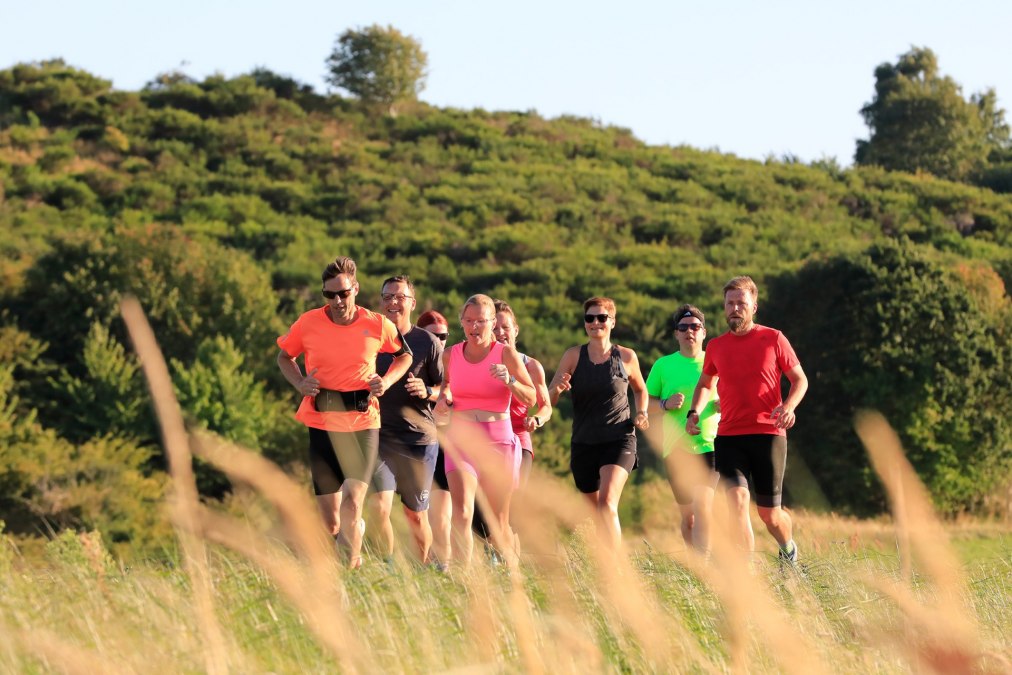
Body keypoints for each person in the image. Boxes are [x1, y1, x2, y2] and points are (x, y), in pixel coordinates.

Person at [276, 256, 412, 569]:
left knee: (354, 502)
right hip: (322, 423)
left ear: (356, 289)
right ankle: (348, 539)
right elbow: (285, 357)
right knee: (331, 522)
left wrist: (386, 381)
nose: (337, 300)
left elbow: (404, 356)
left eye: (344, 293)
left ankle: (351, 568)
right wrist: (300, 382)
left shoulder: (376, 324)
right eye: (330, 294)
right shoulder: (308, 323)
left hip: (363, 421)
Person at [686, 275, 808, 565]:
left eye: (741, 303)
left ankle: (788, 549)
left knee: (770, 515)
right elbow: (705, 384)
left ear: (754, 306)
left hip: (768, 434)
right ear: (724, 307)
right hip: (729, 436)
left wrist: (789, 406)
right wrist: (694, 412)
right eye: (730, 303)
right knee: (737, 500)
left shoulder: (774, 338)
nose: (735, 309)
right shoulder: (715, 347)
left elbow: (799, 380)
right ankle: (747, 573)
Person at [433, 294, 536, 568]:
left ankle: (511, 573)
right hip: (461, 439)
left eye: (481, 321)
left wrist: (510, 379)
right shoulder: (450, 353)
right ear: (461, 323)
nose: (474, 327)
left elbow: (531, 397)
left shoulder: (505, 354)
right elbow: (447, 384)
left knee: (497, 521)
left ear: (492, 323)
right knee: (463, 512)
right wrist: (444, 398)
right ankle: (462, 576)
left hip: (498, 441)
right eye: (469, 321)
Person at [548, 296, 649, 550]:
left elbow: (640, 390)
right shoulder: (573, 355)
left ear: (612, 322)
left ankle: (617, 568)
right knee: (595, 514)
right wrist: (558, 389)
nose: (595, 323)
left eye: (602, 318)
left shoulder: (626, 356)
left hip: (619, 438)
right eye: (589, 318)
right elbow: (548, 397)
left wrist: (642, 412)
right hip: (583, 442)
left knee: (607, 505)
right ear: (585, 324)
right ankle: (603, 561)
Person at [369, 276, 443, 564]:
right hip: (380, 435)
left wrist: (427, 390)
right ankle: (389, 567)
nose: (393, 302)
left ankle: (424, 568)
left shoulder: (428, 342)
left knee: (414, 514)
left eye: (400, 297)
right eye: (387, 297)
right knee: (379, 507)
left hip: (418, 439)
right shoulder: (371, 339)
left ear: (412, 303)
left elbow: (446, 390)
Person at [645, 304, 720, 555]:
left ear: (704, 332)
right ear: (676, 334)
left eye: (695, 327)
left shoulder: (717, 360)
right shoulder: (663, 366)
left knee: (703, 506)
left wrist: (724, 403)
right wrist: (665, 404)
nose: (690, 331)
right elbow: (645, 404)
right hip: (676, 448)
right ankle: (694, 564)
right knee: (688, 517)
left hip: (711, 443)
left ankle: (704, 566)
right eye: (683, 327)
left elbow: (736, 394)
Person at [492, 299, 552, 489]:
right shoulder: (477, 362)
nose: (500, 333)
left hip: (518, 437)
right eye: (494, 328)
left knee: (512, 504)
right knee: (480, 512)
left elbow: (546, 407)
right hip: (485, 439)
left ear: (515, 330)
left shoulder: (531, 366)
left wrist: (537, 419)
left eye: (505, 327)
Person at [417, 310, 453, 570]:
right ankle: (422, 566)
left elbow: (452, 395)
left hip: (445, 444)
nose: (439, 341)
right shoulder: (411, 362)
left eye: (443, 336)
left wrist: (429, 392)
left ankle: (443, 569)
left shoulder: (453, 364)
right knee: (418, 515)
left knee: (441, 516)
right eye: (432, 335)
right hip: (415, 442)